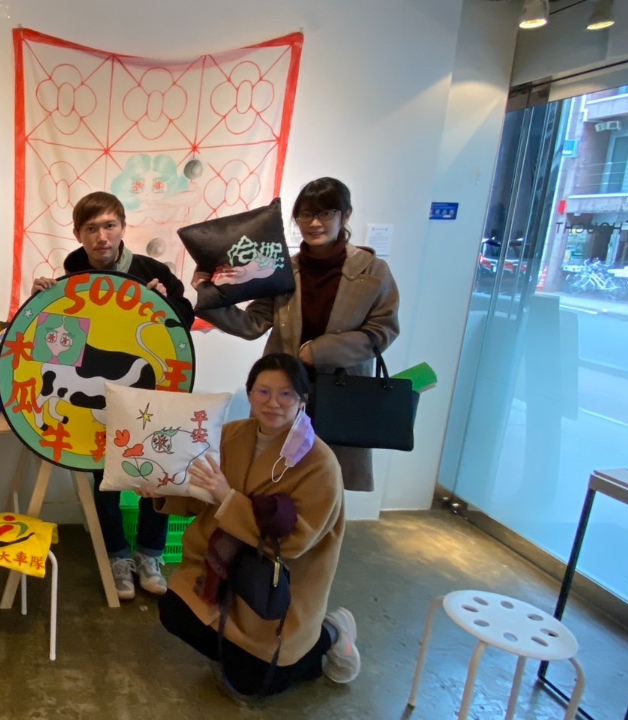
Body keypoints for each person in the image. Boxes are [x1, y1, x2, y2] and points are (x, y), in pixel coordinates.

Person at [154, 353, 359, 697]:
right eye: (263, 391)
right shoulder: (231, 435)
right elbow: (198, 496)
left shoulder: (319, 463)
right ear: (249, 395)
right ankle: (237, 654)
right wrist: (159, 488)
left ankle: (332, 633)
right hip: (222, 569)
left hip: (276, 587)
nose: (273, 403)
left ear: (303, 400)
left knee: (254, 684)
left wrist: (226, 497)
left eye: (286, 394)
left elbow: (293, 542)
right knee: (174, 612)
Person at [30, 191, 195, 600]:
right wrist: (39, 303)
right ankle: (117, 556)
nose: (101, 236)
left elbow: (183, 324)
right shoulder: (70, 281)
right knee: (103, 476)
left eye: (109, 226)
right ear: (78, 234)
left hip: (145, 384)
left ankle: (150, 555)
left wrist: (167, 302)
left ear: (123, 227)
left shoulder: (151, 271)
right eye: (91, 228)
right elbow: (56, 347)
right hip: (95, 392)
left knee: (155, 471)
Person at [194, 177, 400, 492]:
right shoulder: (283, 269)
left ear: (345, 216)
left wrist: (320, 351)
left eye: (326, 213)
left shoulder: (372, 271)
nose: (314, 223)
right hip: (285, 392)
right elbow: (252, 324)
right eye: (305, 215)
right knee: (271, 478)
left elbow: (383, 329)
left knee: (327, 482)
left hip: (341, 392)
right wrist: (208, 295)